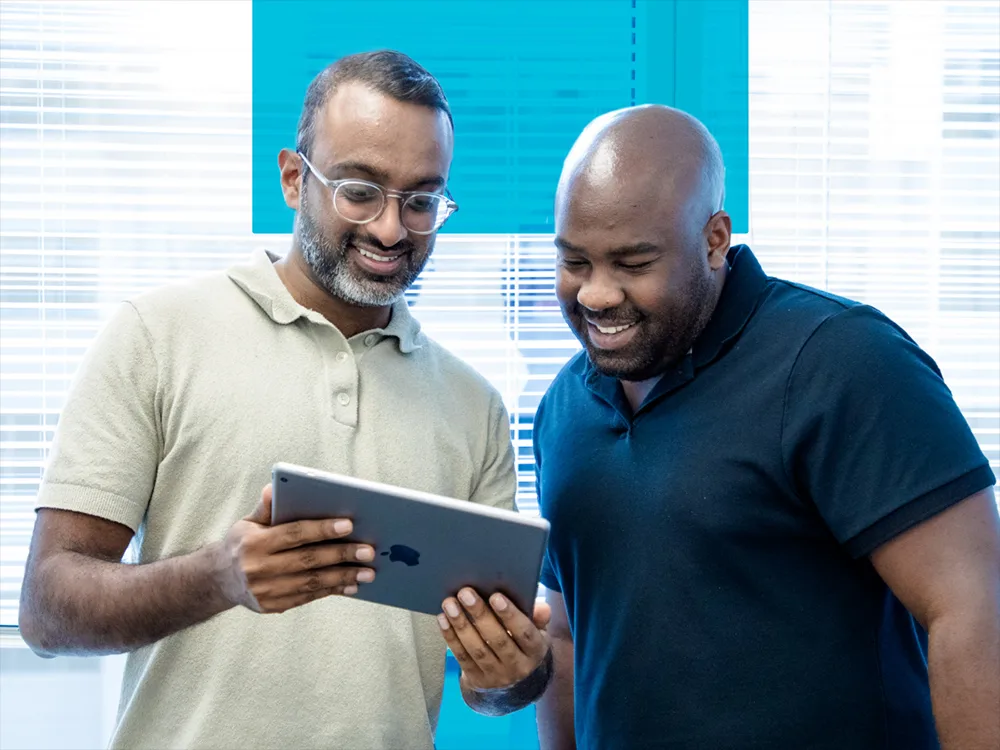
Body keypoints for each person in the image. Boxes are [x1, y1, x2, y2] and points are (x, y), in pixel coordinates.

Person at [18, 50, 547, 750]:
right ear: (295, 179)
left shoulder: (473, 407)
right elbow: (48, 611)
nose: (392, 230)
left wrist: (511, 672)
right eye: (361, 191)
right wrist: (219, 578)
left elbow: (494, 688)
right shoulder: (157, 335)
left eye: (421, 201)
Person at [532, 105, 1000, 749]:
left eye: (633, 264)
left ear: (714, 239)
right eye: (575, 262)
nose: (597, 295)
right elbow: (569, 635)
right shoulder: (563, 406)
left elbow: (973, 607)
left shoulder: (844, 362)